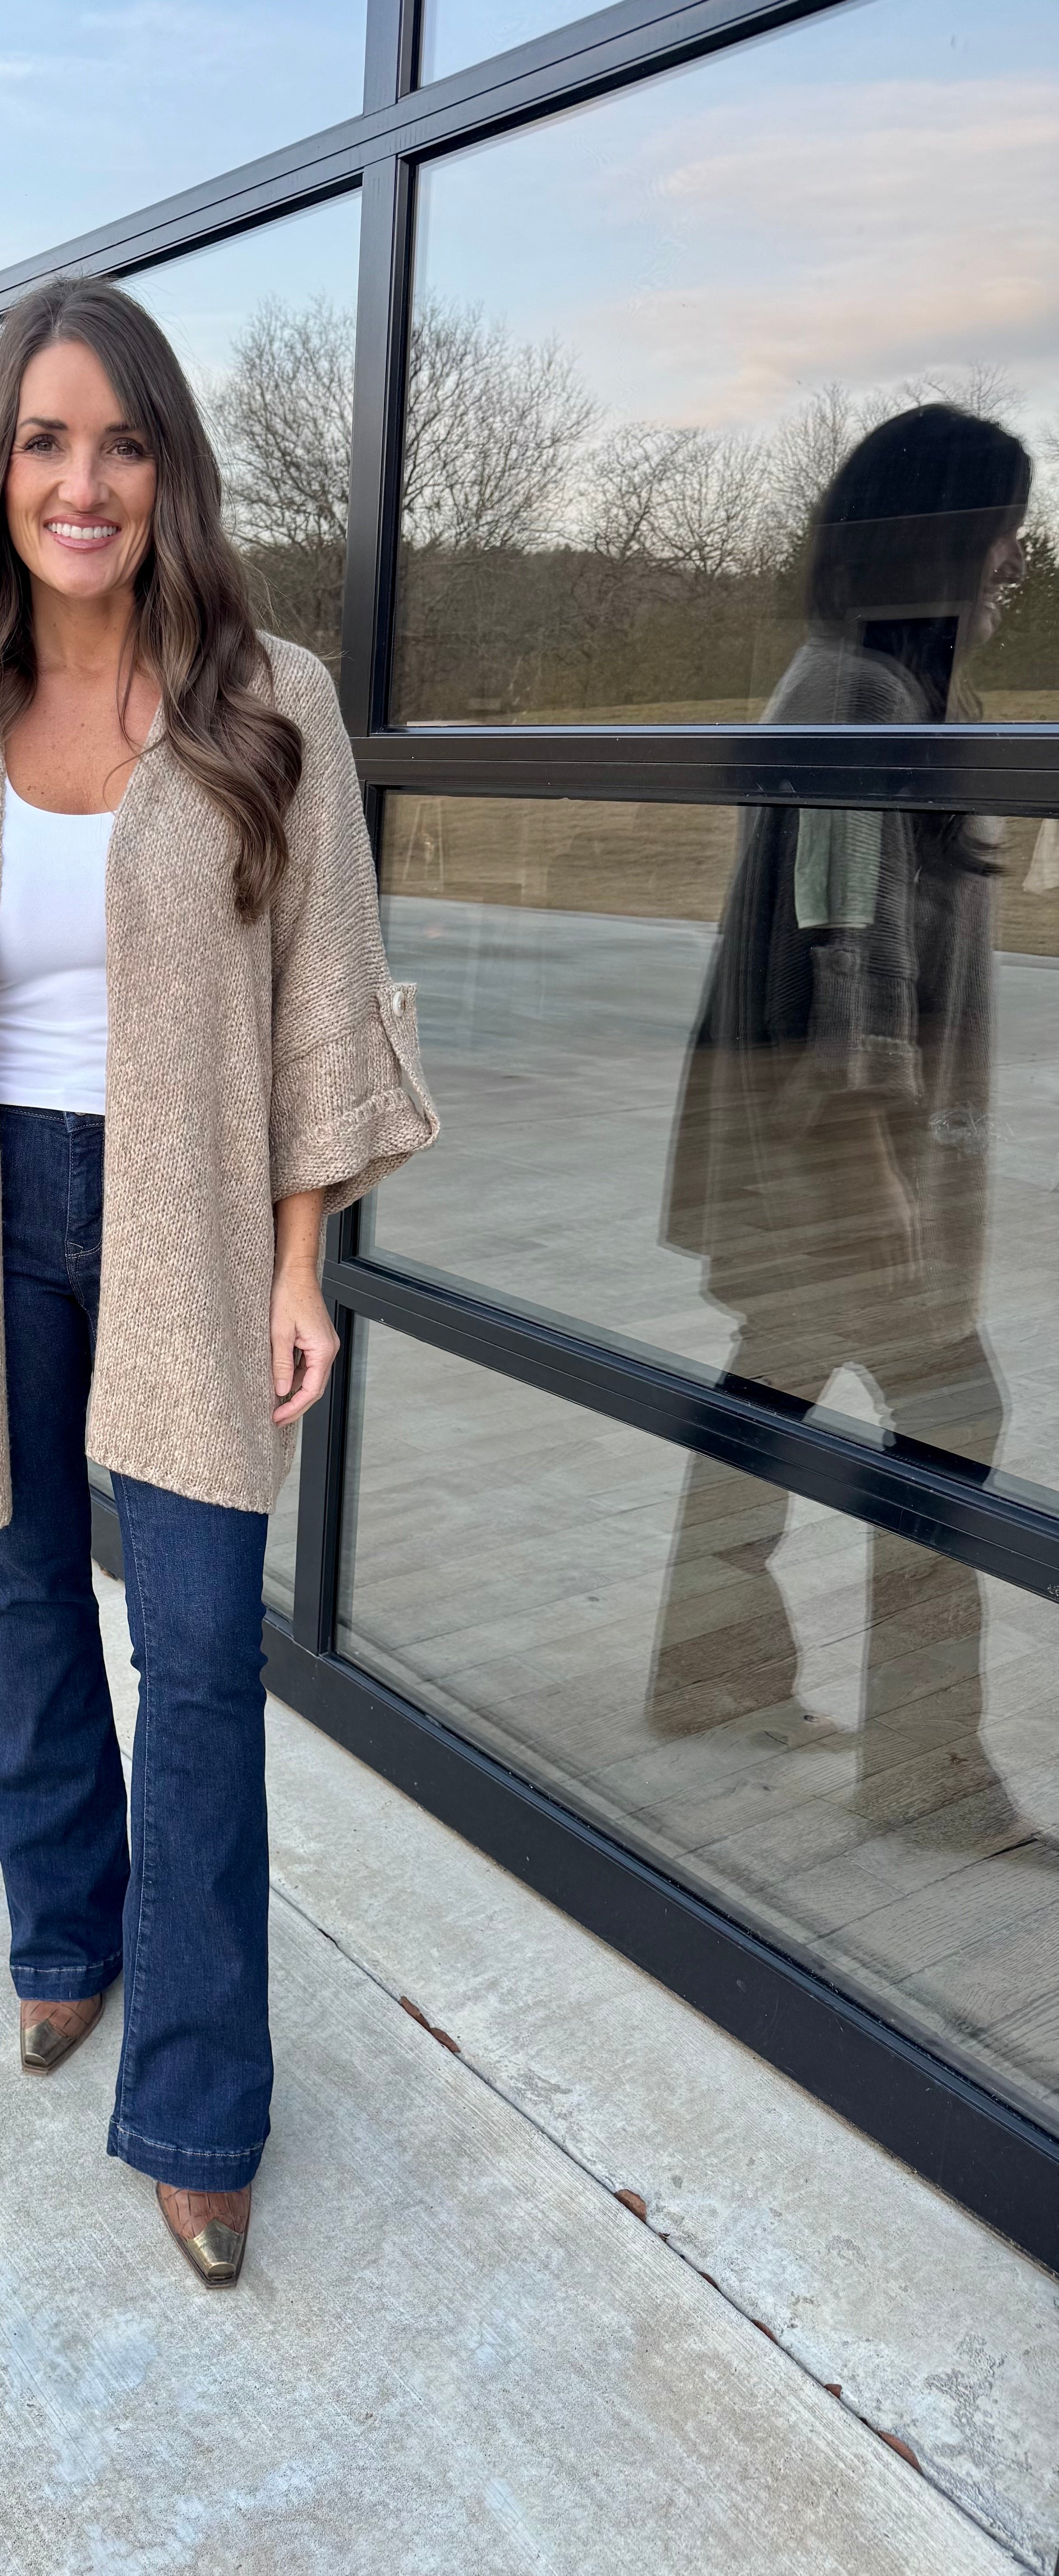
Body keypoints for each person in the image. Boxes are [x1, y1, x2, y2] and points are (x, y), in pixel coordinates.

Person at [0, 276, 436, 2285]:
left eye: (124, 443)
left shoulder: (267, 705)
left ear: (168, 473)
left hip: (189, 1221)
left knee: (204, 1659)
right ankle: (64, 1936)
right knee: (28, 1599)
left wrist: (303, 1263)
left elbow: (317, 993)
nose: (86, 483)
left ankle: (202, 2105)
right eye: (47, 443)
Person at [651, 405, 1032, 1837]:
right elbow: (842, 934)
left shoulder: (873, 683)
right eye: (1000, 531)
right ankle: (928, 1776)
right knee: (954, 1413)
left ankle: (710, 1673)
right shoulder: (858, 693)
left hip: (810, 1146)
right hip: (838, 1151)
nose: (1013, 560)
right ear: (941, 537)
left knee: (771, 1376)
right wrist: (878, 1159)